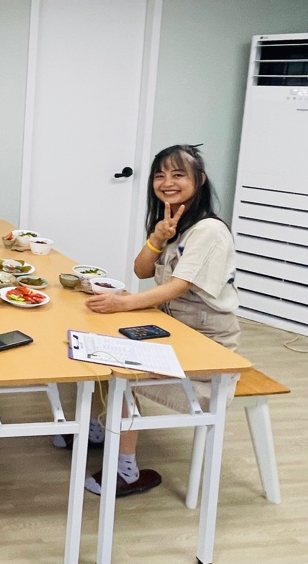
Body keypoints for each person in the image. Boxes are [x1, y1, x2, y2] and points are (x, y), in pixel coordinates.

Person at [82, 144, 242, 497]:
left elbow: (178, 286)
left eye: (178, 174)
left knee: (117, 369)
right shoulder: (175, 223)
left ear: (200, 180)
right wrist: (157, 237)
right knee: (94, 346)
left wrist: (122, 304)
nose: (167, 182)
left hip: (206, 346)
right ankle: (97, 431)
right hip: (173, 331)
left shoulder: (209, 231)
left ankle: (125, 471)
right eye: (160, 175)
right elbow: (141, 270)